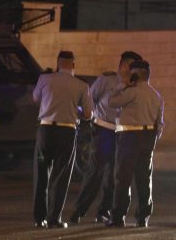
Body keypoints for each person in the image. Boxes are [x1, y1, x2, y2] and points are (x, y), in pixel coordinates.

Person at [69, 51, 142, 224]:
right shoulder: (106, 79)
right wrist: (91, 120)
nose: (132, 70)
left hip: (122, 133)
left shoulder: (134, 85)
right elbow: (90, 99)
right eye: (131, 66)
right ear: (123, 65)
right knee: (94, 172)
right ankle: (79, 210)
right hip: (103, 130)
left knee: (113, 176)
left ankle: (104, 211)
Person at [32, 51, 93, 228]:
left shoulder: (45, 79)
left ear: (57, 64)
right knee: (61, 175)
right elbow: (88, 114)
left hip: (45, 130)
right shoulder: (81, 85)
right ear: (73, 65)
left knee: (41, 173)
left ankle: (38, 218)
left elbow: (36, 98)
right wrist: (76, 109)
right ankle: (54, 218)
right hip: (66, 132)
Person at [105, 60, 164, 228]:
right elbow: (160, 122)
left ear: (135, 76)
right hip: (148, 136)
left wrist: (122, 86)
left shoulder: (132, 92)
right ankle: (142, 218)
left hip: (129, 137)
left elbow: (112, 102)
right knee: (144, 178)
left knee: (123, 178)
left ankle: (118, 217)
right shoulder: (156, 95)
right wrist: (154, 137)